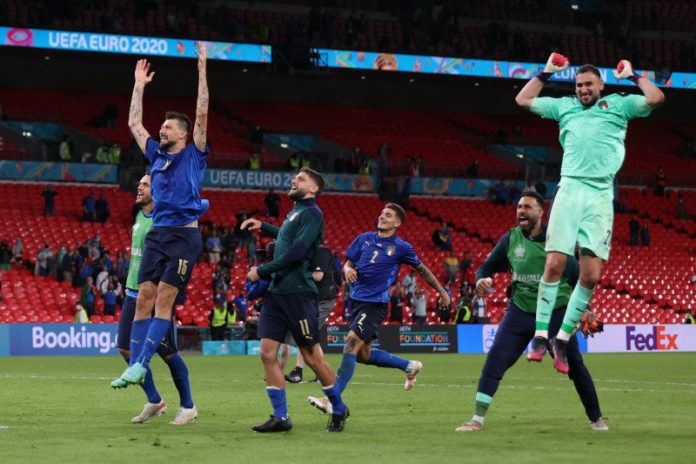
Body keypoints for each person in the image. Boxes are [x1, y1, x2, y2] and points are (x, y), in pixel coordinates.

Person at [515, 54, 665, 374]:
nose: (583, 89)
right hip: (570, 189)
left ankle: (563, 339)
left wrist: (634, 74)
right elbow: (523, 99)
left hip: (599, 195)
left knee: (591, 275)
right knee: (555, 262)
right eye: (579, 85)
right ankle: (540, 336)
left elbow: (656, 97)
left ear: (601, 85)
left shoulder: (619, 105)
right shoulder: (563, 106)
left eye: (588, 84)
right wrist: (545, 73)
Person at [111, 42, 210, 416]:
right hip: (159, 234)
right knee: (144, 299)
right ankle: (137, 364)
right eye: (163, 126)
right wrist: (138, 85)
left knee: (164, 300)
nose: (161, 129)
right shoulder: (155, 155)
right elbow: (134, 123)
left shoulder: (193, 152)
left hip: (184, 235)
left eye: (167, 126)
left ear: (183, 134)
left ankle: (139, 365)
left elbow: (202, 111)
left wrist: (201, 69)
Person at [455, 191, 607, 432]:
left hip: (556, 312)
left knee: (575, 366)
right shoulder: (510, 239)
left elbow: (579, 278)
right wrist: (482, 278)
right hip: (520, 311)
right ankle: (477, 419)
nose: (521, 211)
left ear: (540, 212)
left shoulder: (558, 242)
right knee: (496, 360)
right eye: (518, 207)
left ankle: (597, 419)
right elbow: (485, 267)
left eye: (527, 207)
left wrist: (585, 310)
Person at [307, 203, 451, 415]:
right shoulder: (363, 238)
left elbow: (422, 270)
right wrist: (348, 270)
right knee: (363, 355)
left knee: (350, 344)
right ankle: (409, 366)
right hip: (356, 301)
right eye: (382, 213)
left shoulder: (401, 247)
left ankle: (331, 400)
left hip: (375, 304)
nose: (382, 217)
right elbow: (348, 263)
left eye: (388, 215)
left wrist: (443, 292)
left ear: (397, 222)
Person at [241, 168, 349, 433]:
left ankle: (338, 408)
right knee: (267, 353)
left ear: (313, 188)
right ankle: (281, 417)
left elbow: (298, 252)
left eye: (300, 179)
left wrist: (262, 271)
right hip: (277, 294)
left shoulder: (313, 212)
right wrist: (265, 227)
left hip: (298, 293)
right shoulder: (296, 212)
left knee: (312, 357)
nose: (293, 180)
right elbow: (288, 238)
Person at [111, 174, 198, 425]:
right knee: (125, 348)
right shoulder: (138, 216)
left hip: (156, 297)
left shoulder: (165, 222)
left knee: (168, 354)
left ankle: (188, 405)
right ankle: (155, 400)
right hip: (132, 292)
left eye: (145, 184)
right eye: (139, 183)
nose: (139, 186)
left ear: (158, 190)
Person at [285, 244, 339, 384]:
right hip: (313, 300)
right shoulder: (307, 253)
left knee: (306, 333)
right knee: (309, 335)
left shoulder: (321, 252)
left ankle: (298, 371)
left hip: (323, 301)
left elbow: (317, 276)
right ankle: (322, 373)